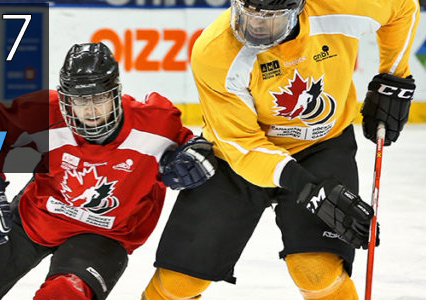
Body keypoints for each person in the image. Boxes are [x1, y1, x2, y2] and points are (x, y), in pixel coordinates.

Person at [142, 0, 418, 298]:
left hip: (320, 146)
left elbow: (403, 7)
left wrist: (395, 76)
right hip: (234, 159)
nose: (257, 25)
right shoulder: (215, 50)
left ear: (298, 8)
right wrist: (310, 190)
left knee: (317, 272)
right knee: (178, 282)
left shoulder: (341, 6)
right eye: (249, 14)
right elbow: (242, 145)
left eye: (272, 18)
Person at [0, 42, 217, 300]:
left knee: (62, 295)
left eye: (99, 99)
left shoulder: (155, 124)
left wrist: (196, 154)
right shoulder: (45, 112)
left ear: (116, 94)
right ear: (66, 99)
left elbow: (193, 146)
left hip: (106, 235)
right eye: (81, 101)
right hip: (36, 217)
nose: (91, 111)